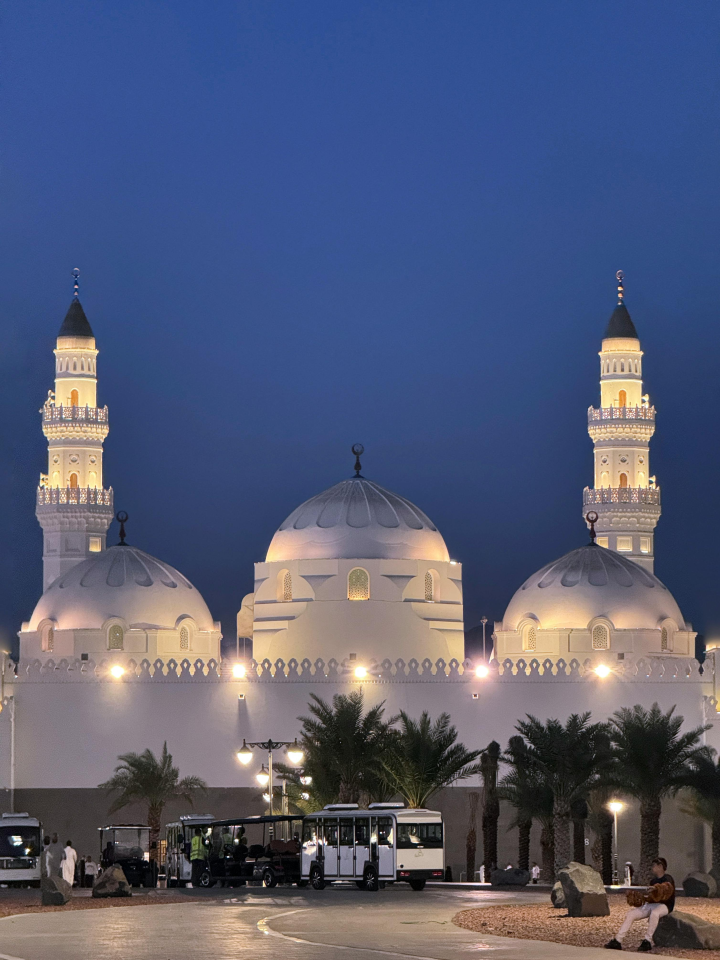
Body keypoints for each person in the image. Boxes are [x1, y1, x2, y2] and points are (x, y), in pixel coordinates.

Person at [605, 857, 675, 952]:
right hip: (653, 904)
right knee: (631, 914)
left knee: (655, 913)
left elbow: (667, 888)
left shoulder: (668, 879)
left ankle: (647, 941)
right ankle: (618, 940)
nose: (652, 867)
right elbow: (650, 898)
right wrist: (635, 896)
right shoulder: (653, 881)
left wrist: (656, 889)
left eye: (654, 865)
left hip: (665, 906)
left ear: (660, 866)